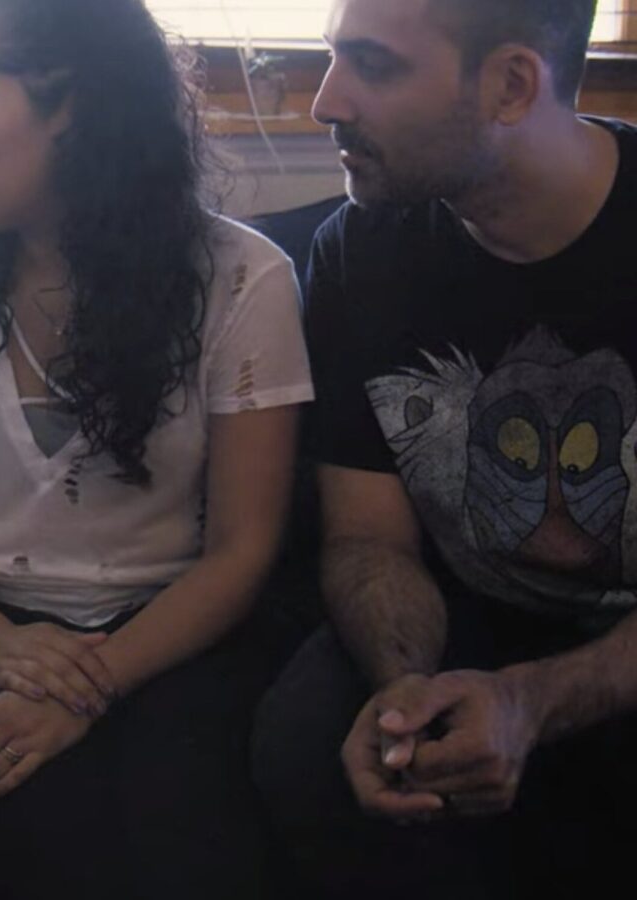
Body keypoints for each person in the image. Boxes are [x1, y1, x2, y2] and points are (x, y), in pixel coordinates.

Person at [0, 0, 313, 894]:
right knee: (24, 812)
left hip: (168, 634)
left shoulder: (243, 281)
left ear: (73, 106)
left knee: (181, 830)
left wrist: (89, 684)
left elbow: (244, 548)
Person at [250, 0, 637, 896]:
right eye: (332, 58)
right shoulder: (361, 254)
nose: (325, 101)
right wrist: (406, 696)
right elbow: (367, 536)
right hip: (474, 615)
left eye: (374, 65)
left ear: (511, 86)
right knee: (307, 745)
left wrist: (532, 702)